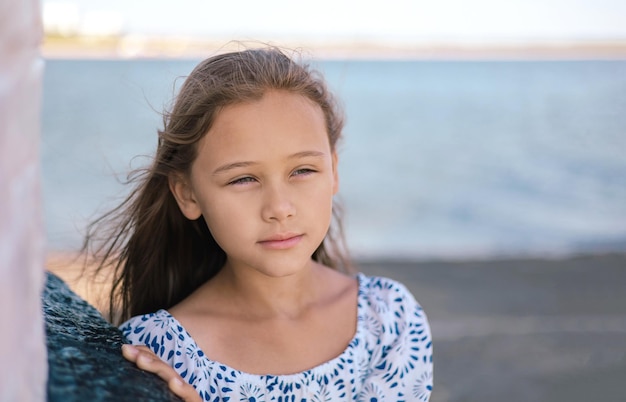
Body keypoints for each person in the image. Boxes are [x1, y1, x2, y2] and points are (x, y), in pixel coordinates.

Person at [84, 46, 433, 401]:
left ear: (334, 171)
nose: (279, 208)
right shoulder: (159, 351)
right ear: (188, 193)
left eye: (302, 170)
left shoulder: (389, 319)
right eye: (243, 179)